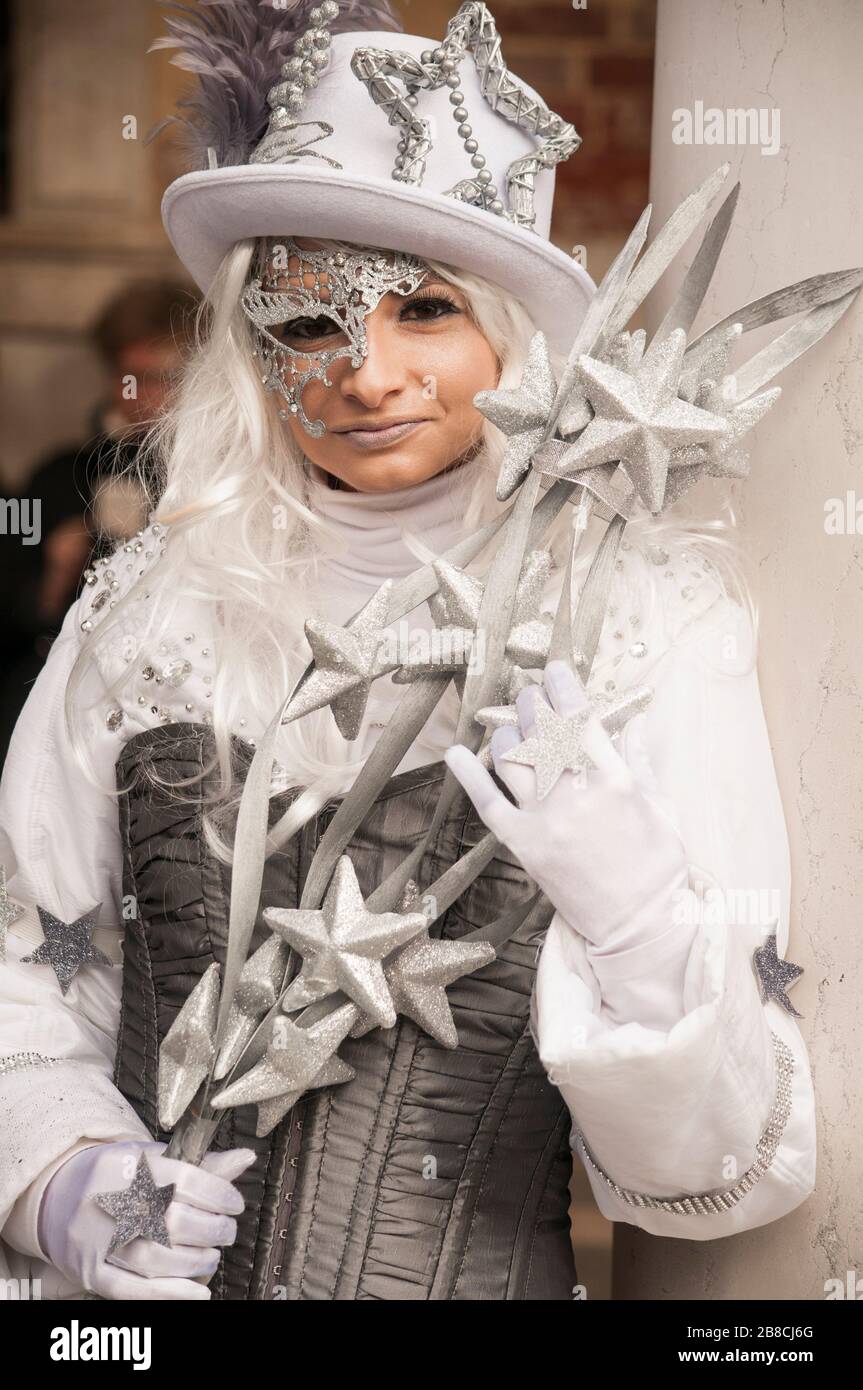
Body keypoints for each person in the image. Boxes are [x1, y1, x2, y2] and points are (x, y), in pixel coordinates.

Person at [0, 0, 825, 1302]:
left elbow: (715, 1164)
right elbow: (20, 950)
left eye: (424, 309)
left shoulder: (639, 621)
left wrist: (628, 909)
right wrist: (61, 1179)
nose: (364, 374)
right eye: (309, 321)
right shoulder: (155, 605)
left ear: (506, 330)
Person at [0, 280, 196, 771]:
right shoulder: (53, 476)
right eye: (133, 376)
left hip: (172, 703)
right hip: (53, 685)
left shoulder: (216, 482)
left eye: (167, 378)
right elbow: (12, 612)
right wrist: (52, 576)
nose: (146, 396)